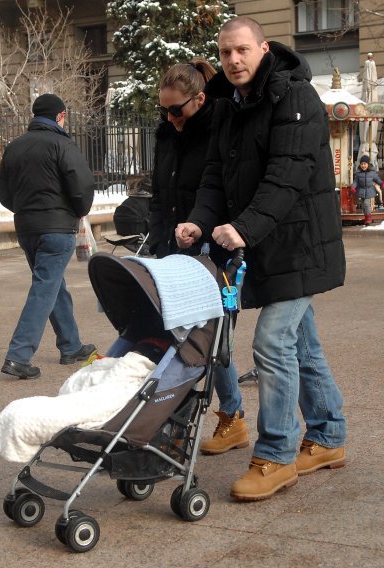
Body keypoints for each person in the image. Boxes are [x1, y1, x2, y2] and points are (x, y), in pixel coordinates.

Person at [175, 16, 347, 502]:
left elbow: (286, 177)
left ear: (262, 48)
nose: (233, 60)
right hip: (263, 243)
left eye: (242, 51)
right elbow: (215, 177)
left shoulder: (295, 98)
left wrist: (243, 228)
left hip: (300, 244)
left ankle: (275, 454)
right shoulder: (229, 107)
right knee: (302, 344)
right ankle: (330, 435)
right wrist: (199, 220)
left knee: (272, 343)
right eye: (225, 52)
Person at [148, 59, 249, 455]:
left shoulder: (218, 132)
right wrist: (159, 241)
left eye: (177, 110)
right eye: (163, 109)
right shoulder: (165, 134)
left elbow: (223, 194)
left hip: (214, 250)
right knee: (179, 339)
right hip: (173, 249)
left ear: (200, 98)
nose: (170, 118)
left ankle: (226, 417)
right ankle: (181, 424)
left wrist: (206, 232)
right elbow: (159, 195)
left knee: (209, 339)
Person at [0, 94, 97, 379]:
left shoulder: (14, 147)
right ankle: (19, 356)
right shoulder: (62, 143)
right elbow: (82, 185)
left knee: (51, 284)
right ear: (60, 116)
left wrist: (25, 210)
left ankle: (71, 345)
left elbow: (3, 192)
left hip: (27, 228)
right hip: (57, 228)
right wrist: (77, 211)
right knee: (45, 287)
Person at [350, 155, 383, 225]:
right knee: (363, 206)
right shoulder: (358, 174)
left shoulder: (372, 173)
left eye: (365, 164)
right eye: (362, 164)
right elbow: (355, 182)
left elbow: (377, 179)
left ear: (368, 164)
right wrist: (353, 187)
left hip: (369, 191)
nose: (363, 166)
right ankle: (366, 217)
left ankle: (369, 218)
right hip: (361, 191)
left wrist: (382, 183)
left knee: (366, 204)